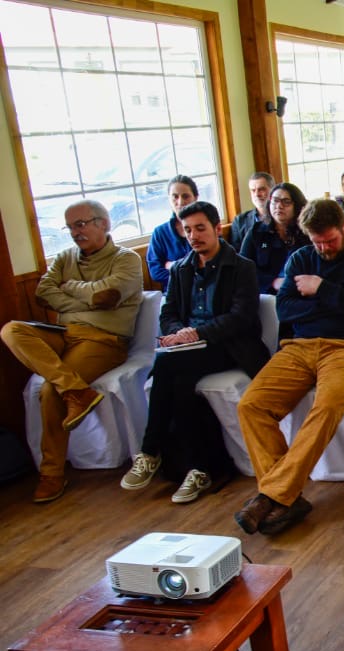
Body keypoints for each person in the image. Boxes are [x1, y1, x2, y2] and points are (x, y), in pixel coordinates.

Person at [234, 199, 344, 535]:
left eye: (330, 241)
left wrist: (320, 288)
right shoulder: (302, 258)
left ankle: (271, 495)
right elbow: (286, 310)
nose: (323, 248)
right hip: (299, 347)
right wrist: (343, 300)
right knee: (252, 406)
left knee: (327, 405)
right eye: (316, 242)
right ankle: (286, 497)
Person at [122, 200, 269, 503]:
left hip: (230, 345)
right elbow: (168, 313)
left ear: (217, 229)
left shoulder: (242, 267)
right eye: (187, 230)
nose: (193, 236)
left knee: (165, 365)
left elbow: (241, 318)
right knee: (179, 382)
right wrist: (179, 333)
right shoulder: (181, 268)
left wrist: (197, 333)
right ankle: (200, 469)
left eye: (200, 228)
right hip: (189, 349)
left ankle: (150, 450)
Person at [1, 200, 143, 503]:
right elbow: (42, 294)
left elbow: (108, 297)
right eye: (70, 227)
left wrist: (70, 289)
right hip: (63, 334)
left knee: (51, 390)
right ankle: (77, 390)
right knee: (11, 330)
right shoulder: (65, 257)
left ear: (103, 224)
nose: (74, 233)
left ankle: (51, 474)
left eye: (81, 224)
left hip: (104, 340)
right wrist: (86, 296)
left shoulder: (126, 259)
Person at [241, 182, 307, 294]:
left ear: (297, 205)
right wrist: (272, 282)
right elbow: (242, 269)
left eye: (286, 202)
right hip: (265, 294)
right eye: (275, 200)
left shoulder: (306, 233)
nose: (279, 206)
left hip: (299, 293)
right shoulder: (256, 232)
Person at [146, 175, 197, 291]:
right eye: (175, 197)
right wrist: (188, 276)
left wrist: (173, 265)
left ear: (195, 198)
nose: (180, 202)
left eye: (186, 196)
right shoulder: (159, 233)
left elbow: (212, 265)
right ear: (169, 199)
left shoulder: (207, 227)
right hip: (174, 294)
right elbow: (156, 272)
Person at [229, 171, 274, 251]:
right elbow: (235, 254)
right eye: (253, 190)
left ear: (273, 190)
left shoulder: (280, 217)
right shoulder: (239, 221)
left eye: (261, 189)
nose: (257, 194)